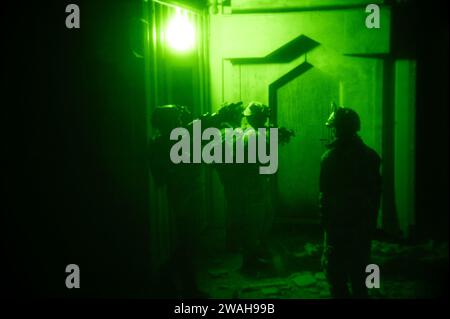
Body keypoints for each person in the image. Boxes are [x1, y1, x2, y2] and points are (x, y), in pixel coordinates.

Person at [319, 106, 382, 298]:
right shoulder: (371, 156)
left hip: (338, 222)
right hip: (362, 221)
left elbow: (325, 194)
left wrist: (325, 222)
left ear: (337, 129)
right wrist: (371, 221)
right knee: (361, 265)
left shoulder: (329, 158)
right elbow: (376, 192)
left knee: (336, 272)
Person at [148, 105, 205, 298]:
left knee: (190, 241)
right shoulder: (160, 144)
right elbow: (160, 176)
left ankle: (178, 284)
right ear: (168, 122)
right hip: (181, 194)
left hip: (188, 192)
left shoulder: (178, 139)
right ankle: (182, 286)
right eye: (176, 119)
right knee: (187, 242)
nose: (180, 122)